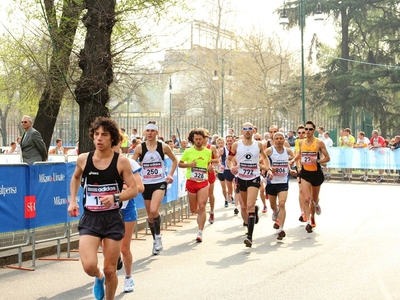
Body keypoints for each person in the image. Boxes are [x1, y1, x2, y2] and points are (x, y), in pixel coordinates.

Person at [67, 117, 138, 300]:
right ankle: (98, 277)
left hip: (113, 219)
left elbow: (133, 189)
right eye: (96, 134)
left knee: (110, 270)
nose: (99, 138)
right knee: (89, 266)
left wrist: (115, 197)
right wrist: (73, 200)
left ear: (112, 139)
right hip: (91, 219)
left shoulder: (121, 162)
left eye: (104, 135)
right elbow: (75, 178)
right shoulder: (83, 159)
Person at [132, 122, 177, 255]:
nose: (150, 133)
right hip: (146, 184)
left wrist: (170, 175)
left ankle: (158, 238)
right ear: (145, 133)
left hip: (159, 182)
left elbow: (175, 161)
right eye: (148, 131)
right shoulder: (140, 148)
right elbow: (130, 163)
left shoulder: (163, 146)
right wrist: (137, 165)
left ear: (157, 133)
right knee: (150, 216)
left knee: (153, 210)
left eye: (152, 131)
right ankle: (155, 239)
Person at [227, 122, 271, 248]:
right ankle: (253, 213)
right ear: (242, 131)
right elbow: (229, 160)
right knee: (244, 206)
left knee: (250, 205)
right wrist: (231, 168)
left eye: (250, 129)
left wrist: (267, 169)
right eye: (245, 129)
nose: (247, 131)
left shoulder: (258, 145)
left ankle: (249, 237)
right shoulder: (237, 145)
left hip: (254, 178)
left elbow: (265, 158)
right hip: (241, 178)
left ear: (253, 131)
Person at [112, 132, 144, 293]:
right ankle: (106, 274)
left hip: (126, 209)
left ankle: (128, 277)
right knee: (108, 250)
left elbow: (140, 188)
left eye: (114, 143)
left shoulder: (129, 163)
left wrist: (124, 188)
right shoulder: (98, 163)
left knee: (124, 248)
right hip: (107, 211)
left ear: (120, 144)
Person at [291, 121, 330, 233]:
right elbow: (299, 154)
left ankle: (316, 206)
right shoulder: (301, 142)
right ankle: (308, 222)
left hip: (316, 174)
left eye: (310, 129)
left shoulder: (319, 143)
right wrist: (293, 160)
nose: (307, 131)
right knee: (307, 198)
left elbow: (327, 158)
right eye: (306, 129)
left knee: (313, 199)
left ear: (314, 130)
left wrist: (317, 160)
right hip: (305, 173)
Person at [178, 128, 212, 242]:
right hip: (191, 182)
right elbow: (180, 164)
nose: (198, 141)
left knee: (202, 205)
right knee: (194, 209)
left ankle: (200, 232)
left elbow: (208, 165)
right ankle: (200, 215)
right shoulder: (188, 151)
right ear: (193, 139)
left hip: (203, 182)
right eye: (196, 139)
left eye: (200, 139)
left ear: (203, 140)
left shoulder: (208, 151)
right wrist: (189, 165)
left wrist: (210, 168)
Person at [265, 132, 296, 240]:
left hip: (283, 181)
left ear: (284, 140)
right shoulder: (270, 150)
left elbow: (293, 158)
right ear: (273, 140)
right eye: (276, 138)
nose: (279, 140)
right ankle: (275, 211)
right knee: (274, 205)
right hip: (271, 182)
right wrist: (269, 168)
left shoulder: (287, 150)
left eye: (281, 138)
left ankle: (281, 229)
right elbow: (260, 160)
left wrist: (291, 166)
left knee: (282, 204)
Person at [202, 129, 219, 224]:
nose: (204, 139)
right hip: (200, 173)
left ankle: (212, 211)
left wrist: (209, 163)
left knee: (210, 194)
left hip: (210, 173)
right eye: (203, 137)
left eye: (206, 137)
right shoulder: (196, 147)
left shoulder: (211, 147)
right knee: (201, 196)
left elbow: (217, 160)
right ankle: (202, 212)